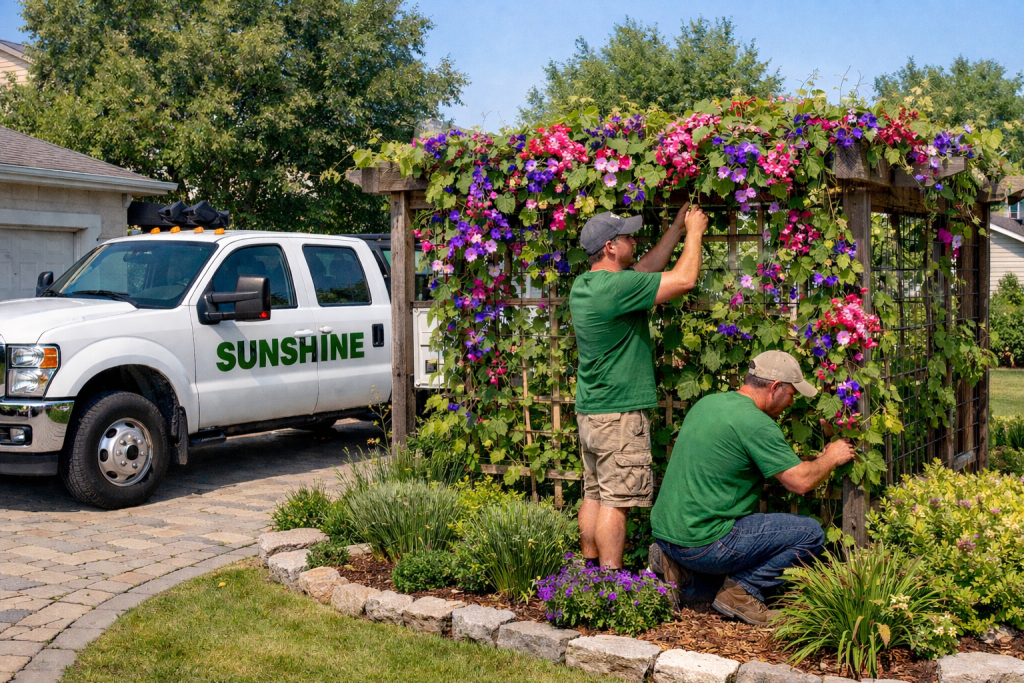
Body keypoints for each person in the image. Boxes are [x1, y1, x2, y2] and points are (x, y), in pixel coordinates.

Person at [649, 350, 857, 625]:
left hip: (668, 535)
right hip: (705, 542)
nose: (791, 402)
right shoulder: (756, 423)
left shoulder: (709, 403)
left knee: (707, 591)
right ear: (775, 387)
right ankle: (742, 593)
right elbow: (800, 482)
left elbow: (749, 461)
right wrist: (832, 457)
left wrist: (814, 462)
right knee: (810, 533)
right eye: (791, 394)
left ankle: (676, 568)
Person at [570, 203, 709, 569]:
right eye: (627, 237)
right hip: (619, 415)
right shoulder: (616, 290)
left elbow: (645, 270)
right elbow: (684, 280)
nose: (634, 241)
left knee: (594, 494)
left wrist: (676, 229)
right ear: (610, 247)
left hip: (591, 413)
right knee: (616, 503)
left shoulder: (587, 285)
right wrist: (695, 232)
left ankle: (588, 575)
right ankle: (611, 584)